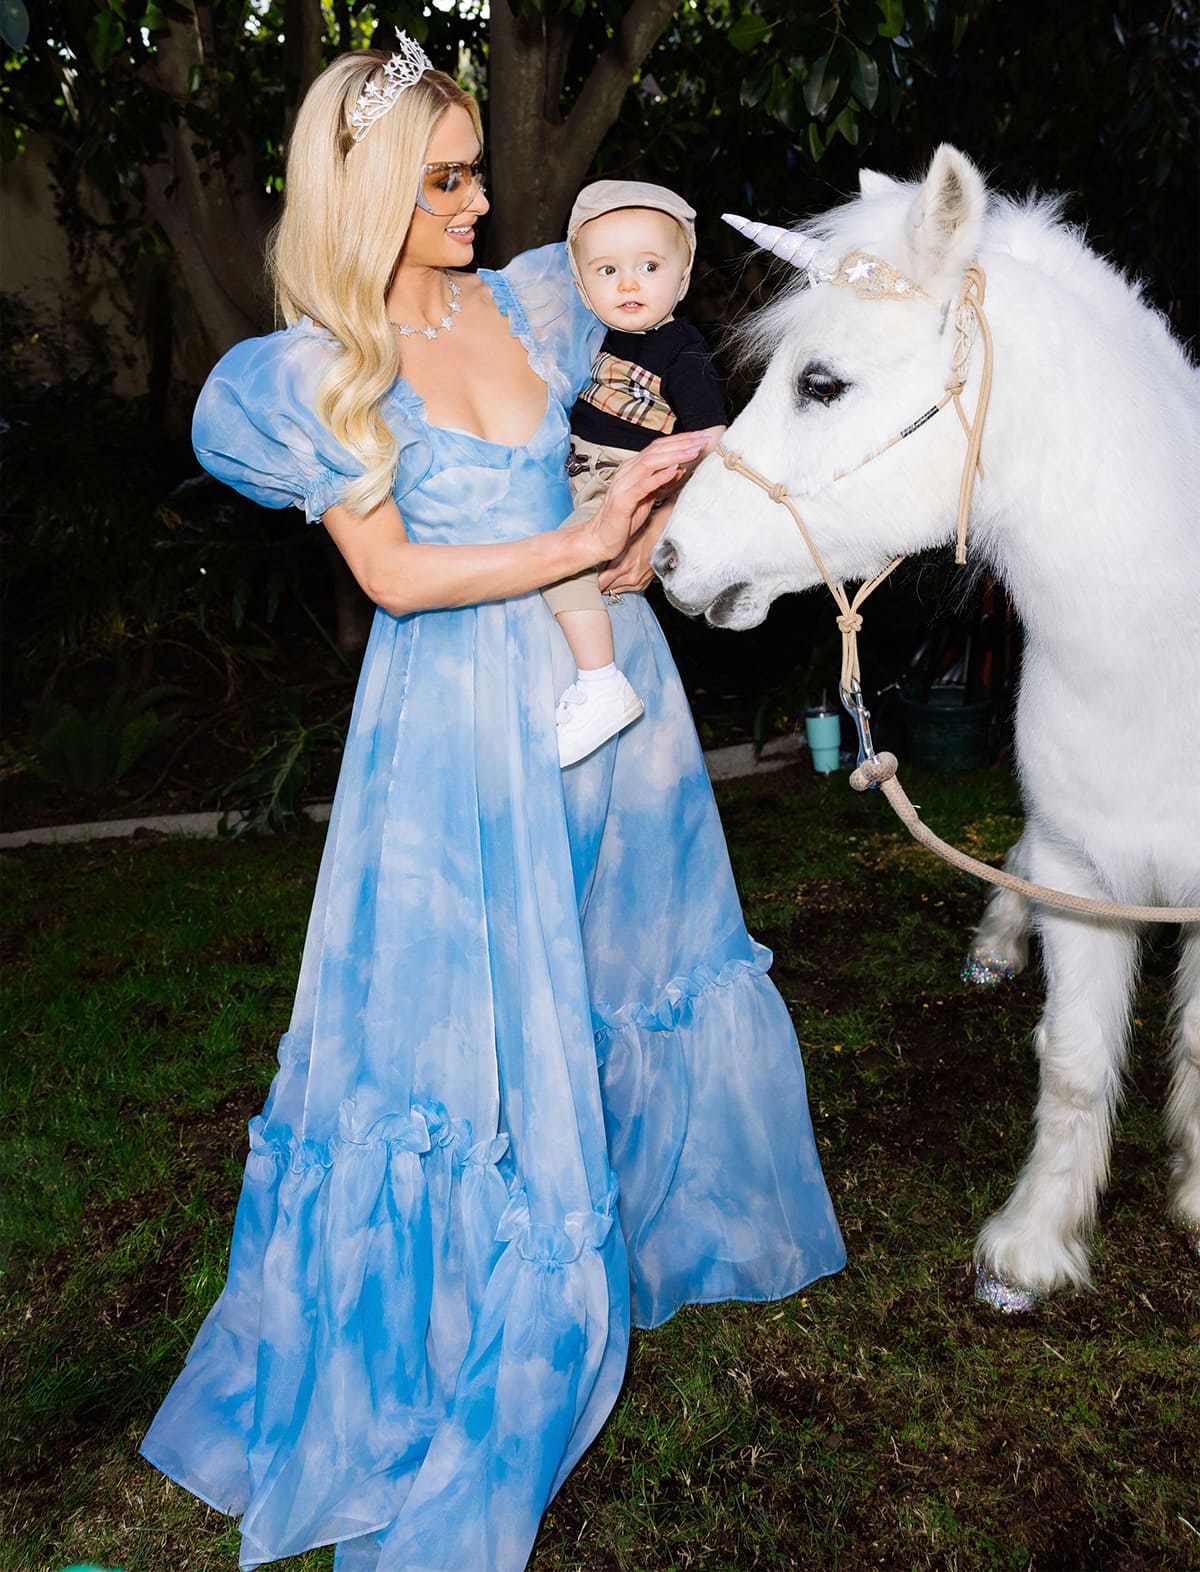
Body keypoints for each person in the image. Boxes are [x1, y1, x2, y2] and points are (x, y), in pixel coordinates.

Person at [140, 35, 845, 1572]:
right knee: (478, 1011)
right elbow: (392, 576)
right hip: (462, 720)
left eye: (472, 169)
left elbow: (615, 459)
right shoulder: (318, 379)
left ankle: (656, 1224)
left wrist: (638, 532)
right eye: (443, 179)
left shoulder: (536, 297)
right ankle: (477, 1297)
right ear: (372, 193)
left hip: (618, 693)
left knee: (623, 959)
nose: (477, 198)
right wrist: (567, 554)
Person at [545, 179, 728, 768]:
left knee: (561, 566)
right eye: (607, 271)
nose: (628, 283)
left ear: (683, 276)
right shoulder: (592, 339)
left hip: (625, 481)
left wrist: (666, 509)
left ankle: (600, 685)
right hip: (581, 469)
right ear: (580, 284)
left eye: (649, 266)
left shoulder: (682, 348)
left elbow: (711, 438)